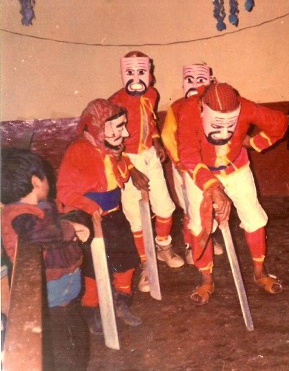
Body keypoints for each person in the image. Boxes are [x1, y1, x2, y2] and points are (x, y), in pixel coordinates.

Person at [177, 82, 287, 305]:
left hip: (236, 168)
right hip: (200, 171)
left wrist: (255, 142)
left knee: (254, 218)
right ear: (202, 108)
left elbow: (280, 123)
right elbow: (188, 153)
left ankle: (260, 272)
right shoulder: (189, 110)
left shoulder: (245, 107)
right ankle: (206, 278)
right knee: (200, 225)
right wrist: (212, 187)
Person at [57, 99, 144, 331]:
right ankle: (93, 310)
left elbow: (120, 176)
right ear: (98, 127)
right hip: (88, 219)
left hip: (114, 216)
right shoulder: (78, 151)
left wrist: (129, 168)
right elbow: (65, 191)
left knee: (126, 260)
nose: (124, 133)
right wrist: (89, 207)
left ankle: (121, 303)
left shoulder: (111, 149)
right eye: (119, 127)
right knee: (94, 267)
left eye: (124, 126)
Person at [1, 148, 90, 371]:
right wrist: (69, 228)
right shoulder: (19, 215)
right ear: (36, 182)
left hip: (61, 298)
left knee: (74, 343)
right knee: (67, 352)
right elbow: (39, 233)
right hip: (49, 300)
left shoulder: (34, 208)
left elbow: (55, 213)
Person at [109, 51, 183, 294]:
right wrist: (130, 170)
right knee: (135, 217)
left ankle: (164, 247)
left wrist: (158, 142)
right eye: (130, 72)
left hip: (150, 156)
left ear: (149, 74)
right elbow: (111, 144)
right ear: (123, 74)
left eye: (141, 72)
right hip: (126, 160)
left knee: (165, 207)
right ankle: (146, 264)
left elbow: (150, 123)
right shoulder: (114, 103)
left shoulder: (152, 94)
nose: (136, 77)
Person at [161, 62, 224, 265]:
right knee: (190, 206)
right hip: (185, 166)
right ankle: (191, 244)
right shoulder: (177, 107)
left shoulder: (213, 102)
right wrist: (179, 163)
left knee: (210, 202)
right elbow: (168, 136)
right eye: (190, 80)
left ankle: (207, 238)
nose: (195, 85)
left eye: (200, 80)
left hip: (208, 165)